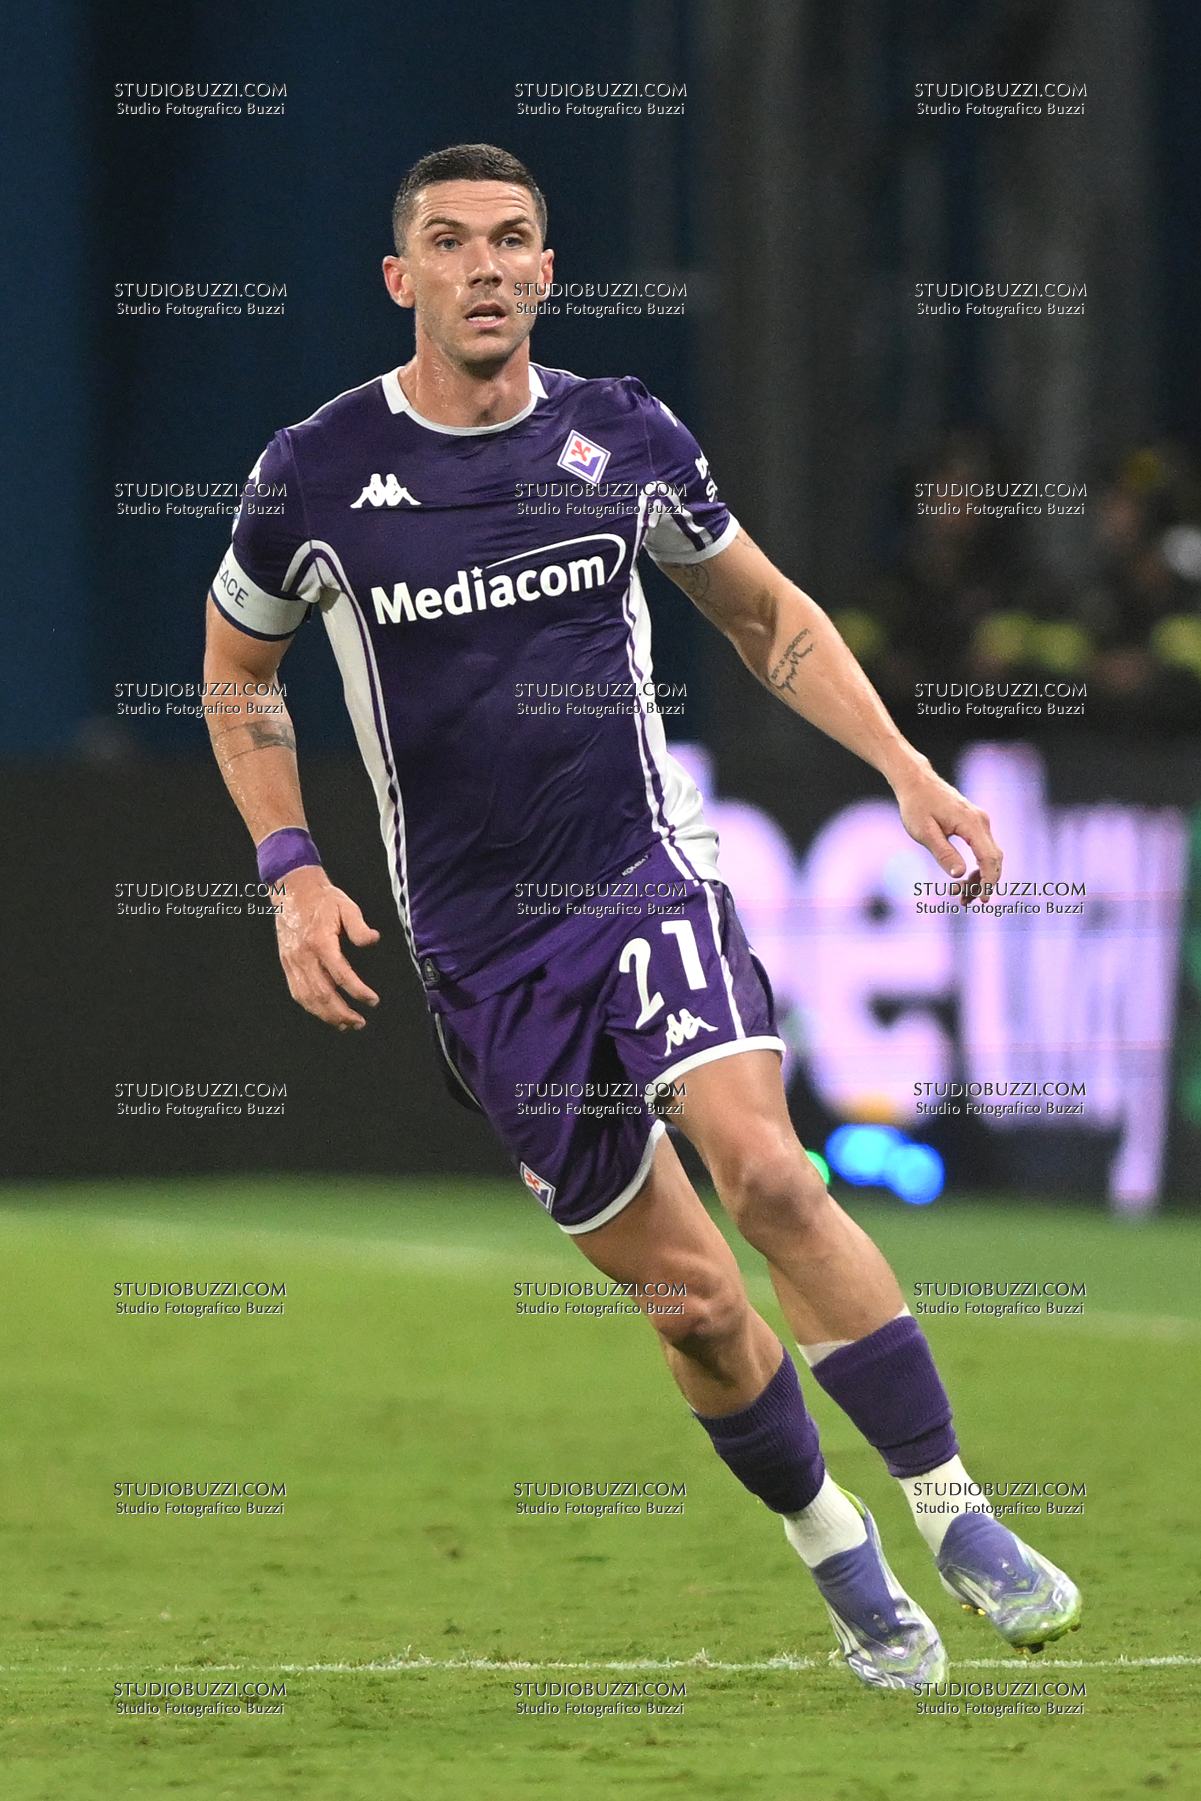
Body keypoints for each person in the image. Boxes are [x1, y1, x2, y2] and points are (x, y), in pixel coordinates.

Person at [203, 143, 1081, 1690]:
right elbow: (236, 676)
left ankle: (959, 1514)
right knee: (696, 1310)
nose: (487, 266)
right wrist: (292, 871)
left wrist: (904, 768)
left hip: (640, 879)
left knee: (774, 1176)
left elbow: (766, 616)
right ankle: (838, 1552)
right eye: (451, 243)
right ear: (400, 278)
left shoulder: (624, 437)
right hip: (481, 955)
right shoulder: (315, 476)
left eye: (514, 240)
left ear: (548, 270)